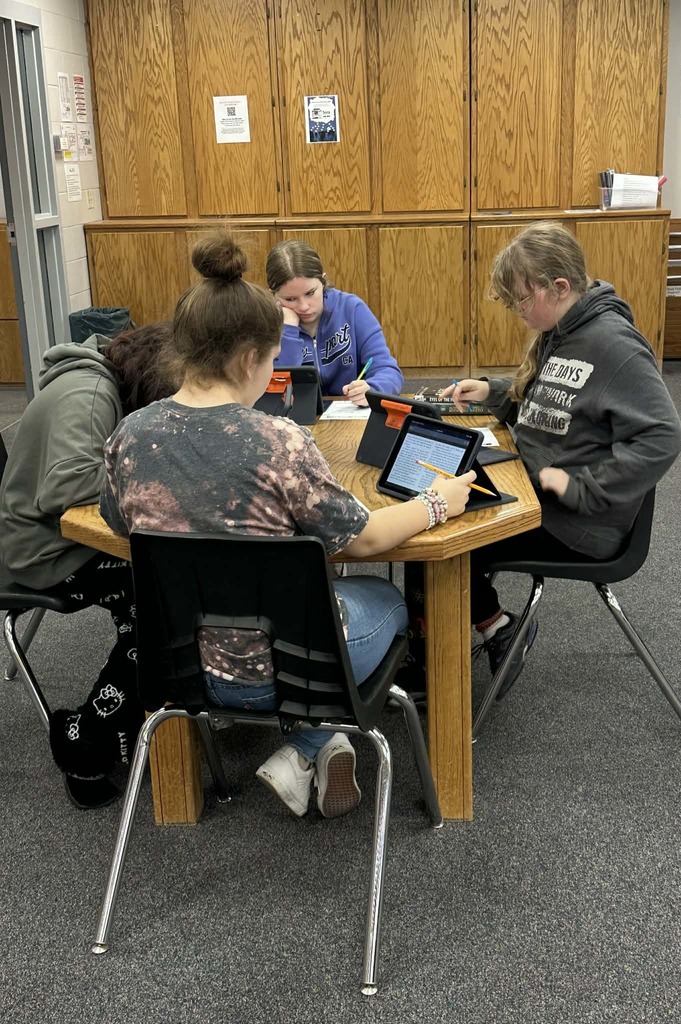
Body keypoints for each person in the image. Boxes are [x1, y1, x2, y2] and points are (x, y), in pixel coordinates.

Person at [100, 230, 473, 820]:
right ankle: (310, 740)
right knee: (382, 599)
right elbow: (366, 538)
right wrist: (438, 502)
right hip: (289, 666)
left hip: (176, 665)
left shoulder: (129, 435)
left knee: (293, 599)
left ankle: (309, 747)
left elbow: (119, 523)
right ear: (250, 357)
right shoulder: (279, 442)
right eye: (275, 359)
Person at [440, 221, 681, 700]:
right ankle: (437, 644)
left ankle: (495, 627)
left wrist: (583, 488)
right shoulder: (563, 330)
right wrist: (495, 392)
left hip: (575, 522)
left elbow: (663, 436)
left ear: (561, 287)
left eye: (521, 300)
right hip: (537, 493)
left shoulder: (612, 344)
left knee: (443, 534)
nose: (517, 311)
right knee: (437, 493)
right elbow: (551, 407)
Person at [0, 323, 175, 809]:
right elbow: (66, 487)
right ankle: (87, 737)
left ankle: (147, 699)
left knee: (157, 597)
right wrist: (164, 464)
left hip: (56, 541)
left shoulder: (98, 381)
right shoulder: (91, 393)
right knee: (167, 599)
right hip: (43, 555)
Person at [265, 239, 403, 405]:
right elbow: (273, 389)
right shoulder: (265, 323)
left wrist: (373, 388)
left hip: (349, 414)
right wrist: (288, 329)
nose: (304, 306)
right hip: (293, 418)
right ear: (274, 295)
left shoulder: (351, 309)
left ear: (323, 282)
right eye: (290, 299)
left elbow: (389, 370)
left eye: (310, 293)